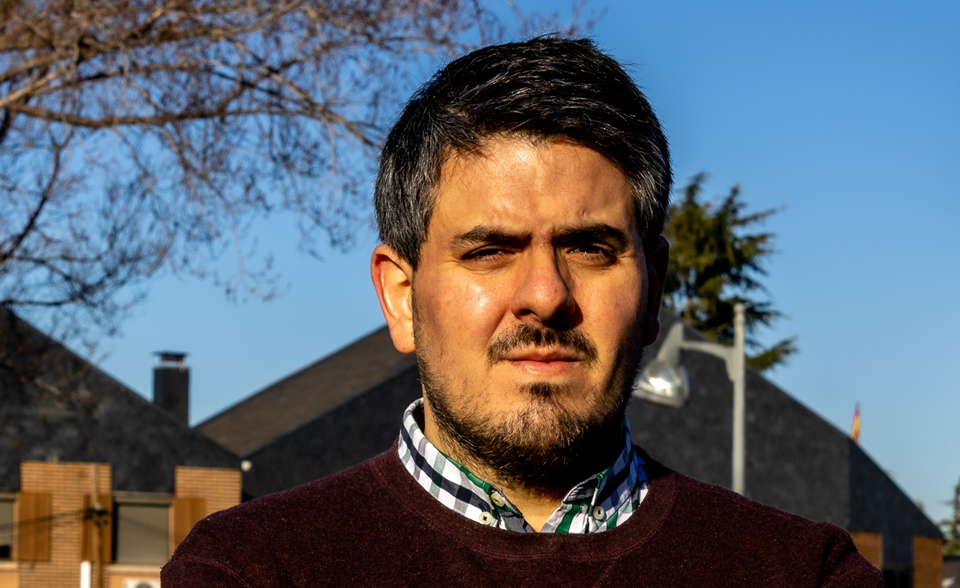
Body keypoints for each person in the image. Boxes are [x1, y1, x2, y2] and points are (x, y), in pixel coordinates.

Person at [162, 37, 883, 587]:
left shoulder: (802, 575)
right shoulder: (250, 571)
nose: (545, 294)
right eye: (490, 251)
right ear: (402, 298)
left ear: (655, 290)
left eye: (590, 247)